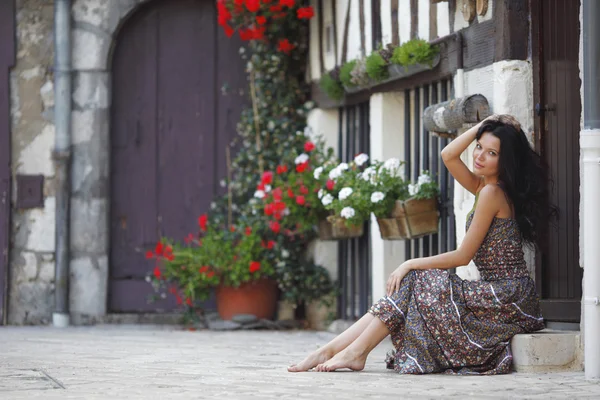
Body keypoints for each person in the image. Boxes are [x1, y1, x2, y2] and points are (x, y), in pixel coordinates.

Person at [288, 114, 554, 375]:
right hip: (500, 293)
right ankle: (337, 350)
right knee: (413, 282)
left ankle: (350, 352)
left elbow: (463, 256)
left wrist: (409, 263)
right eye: (478, 147)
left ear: (505, 160)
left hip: (507, 297)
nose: (479, 156)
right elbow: (448, 155)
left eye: (491, 153)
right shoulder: (484, 187)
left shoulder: (491, 193)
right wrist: (484, 126)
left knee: (417, 277)